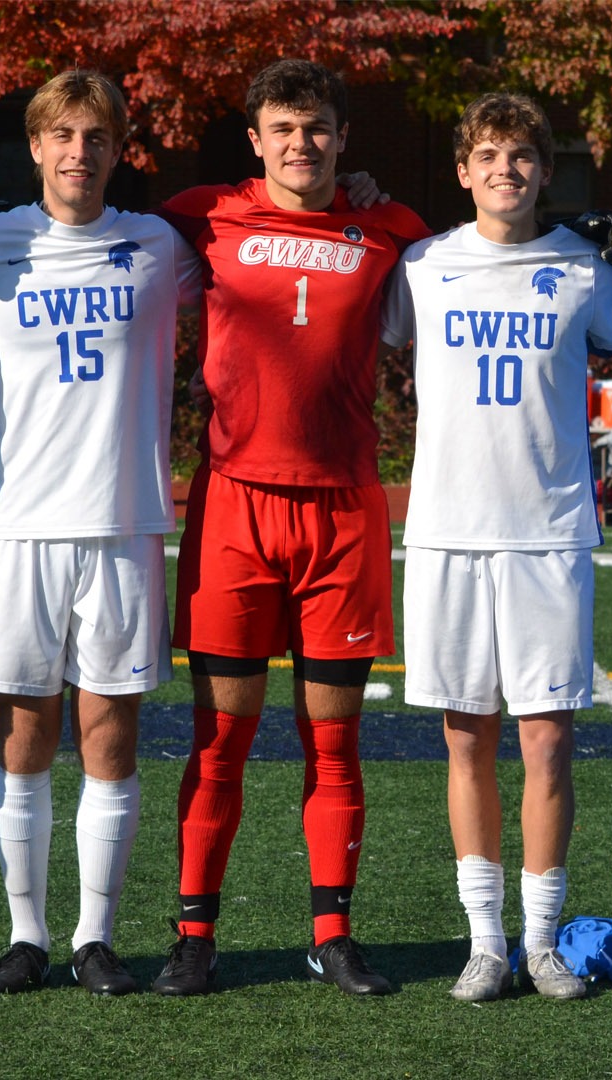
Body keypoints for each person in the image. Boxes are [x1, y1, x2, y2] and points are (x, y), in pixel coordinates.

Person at [151, 59, 429, 997]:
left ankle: (332, 931)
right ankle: (194, 933)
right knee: (220, 740)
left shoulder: (390, 228)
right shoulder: (203, 214)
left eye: (317, 129)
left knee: (334, 743)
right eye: (283, 128)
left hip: (343, 512)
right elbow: (91, 225)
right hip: (235, 506)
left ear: (343, 140)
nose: (300, 144)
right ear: (255, 141)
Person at [380, 92, 612, 1002]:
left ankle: (540, 942)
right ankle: (485, 941)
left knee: (547, 742)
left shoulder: (581, 267)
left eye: (524, 156)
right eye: (489, 154)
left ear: (546, 170)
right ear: (464, 170)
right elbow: (352, 318)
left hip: (547, 533)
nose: (507, 169)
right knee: (467, 740)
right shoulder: (422, 265)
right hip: (449, 530)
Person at [0, 71, 199, 998]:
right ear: (36, 146)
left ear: (118, 147)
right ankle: (26, 937)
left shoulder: (160, 244)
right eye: (62, 136)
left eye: (95, 137)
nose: (78, 153)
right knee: (22, 736)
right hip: (19, 527)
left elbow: (260, 234)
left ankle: (94, 937)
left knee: (109, 739)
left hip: (124, 522)